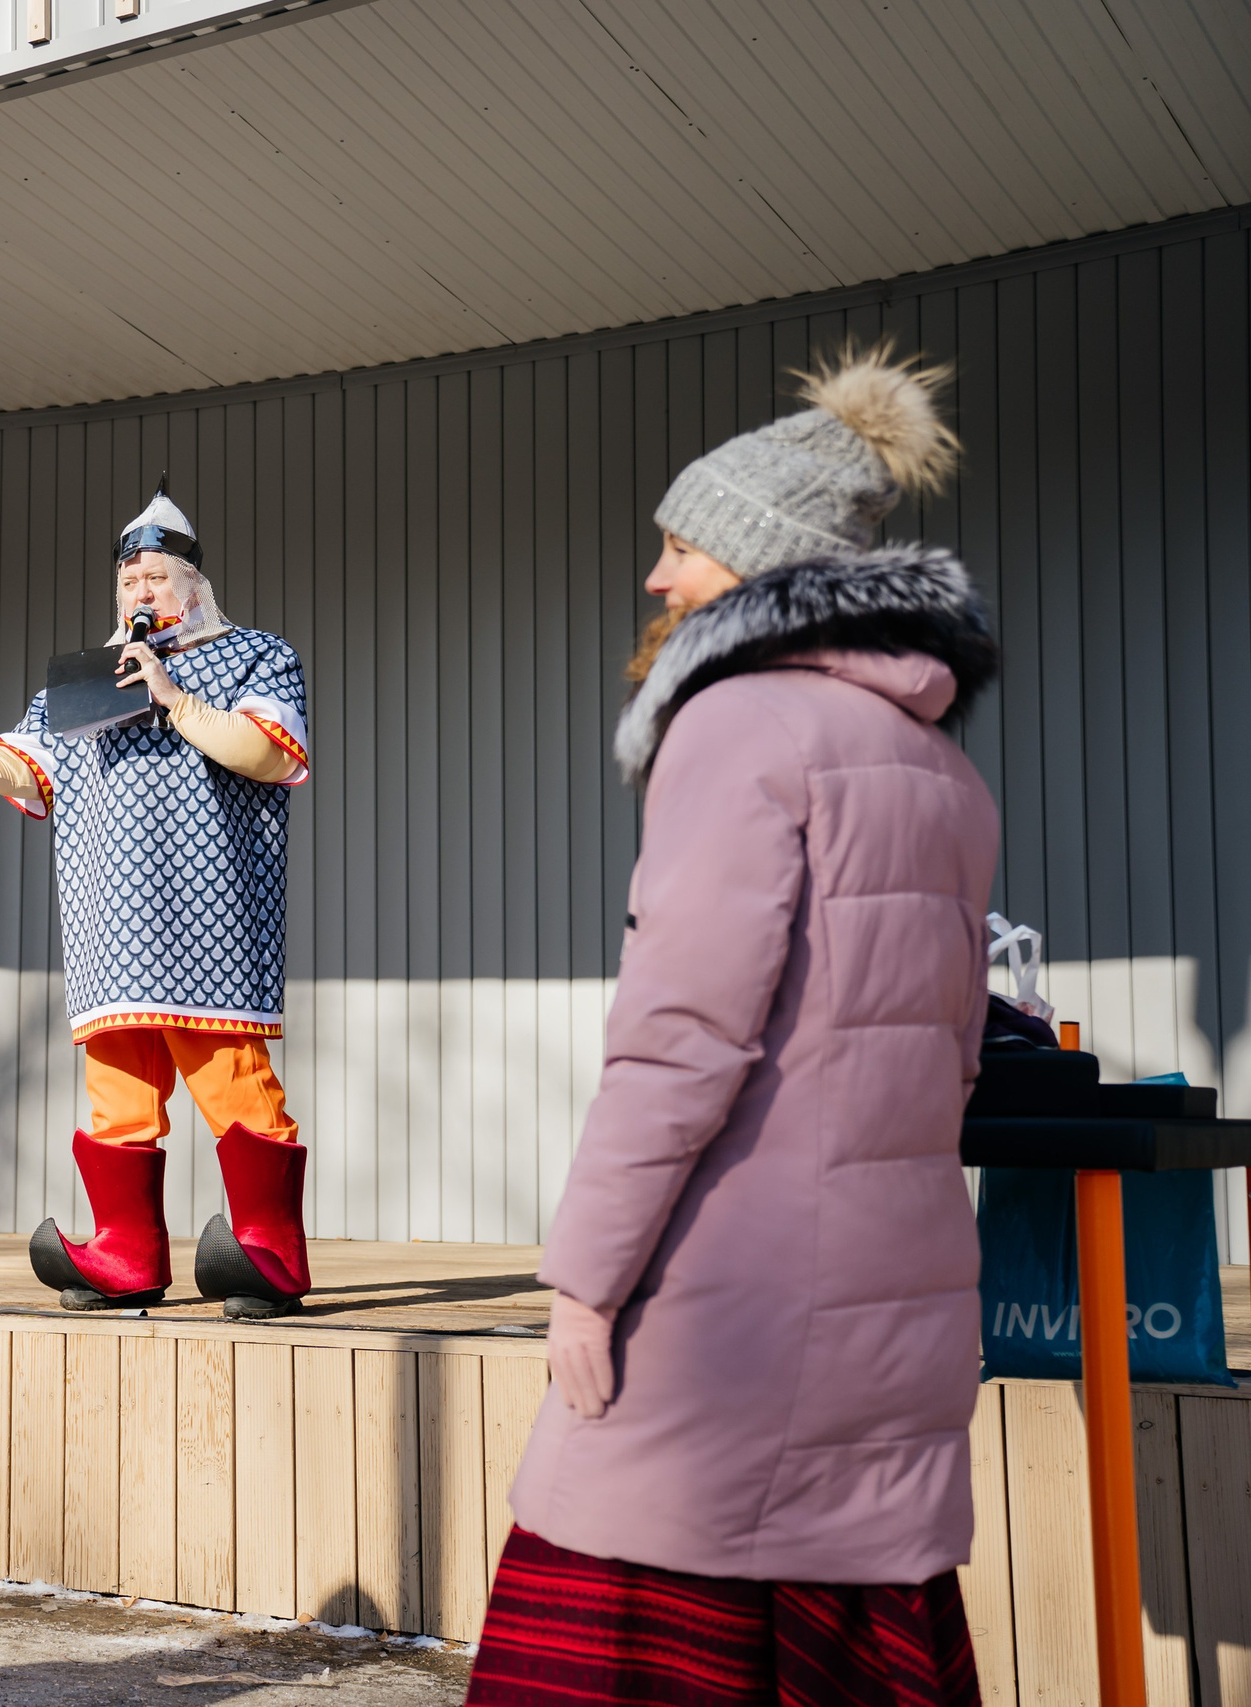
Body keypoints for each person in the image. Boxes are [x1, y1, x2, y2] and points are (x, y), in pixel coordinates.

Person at [469, 347, 1000, 1706]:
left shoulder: (739, 724)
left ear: (759, 567)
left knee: (624, 1602)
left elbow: (682, 1039)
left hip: (733, 1307)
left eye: (683, 545)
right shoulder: (939, 764)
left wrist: (584, 1278)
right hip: (895, 1301)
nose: (658, 577)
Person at [0, 480, 316, 1318]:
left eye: (156, 578)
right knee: (117, 1089)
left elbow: (271, 753)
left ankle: (270, 1250)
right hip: (111, 923)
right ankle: (127, 1251)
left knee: (233, 1076)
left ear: (195, 587)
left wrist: (174, 697)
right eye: (129, 582)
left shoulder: (257, 654)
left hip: (210, 913)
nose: (141, 593)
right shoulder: (81, 682)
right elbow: (28, 765)